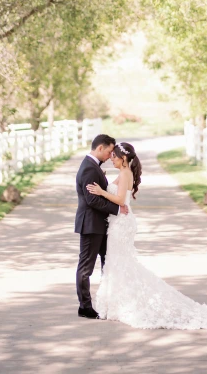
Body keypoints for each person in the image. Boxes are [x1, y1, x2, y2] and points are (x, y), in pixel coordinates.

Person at [87, 141, 207, 330]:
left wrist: (102, 191)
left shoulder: (125, 173)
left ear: (123, 158)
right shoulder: (124, 173)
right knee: (117, 262)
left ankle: (122, 304)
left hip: (121, 225)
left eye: (114, 157)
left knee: (120, 261)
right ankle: (118, 303)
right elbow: (118, 194)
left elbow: (120, 199)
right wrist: (104, 185)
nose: (111, 159)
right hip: (119, 223)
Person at [74, 133, 129, 319]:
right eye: (109, 151)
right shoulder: (89, 169)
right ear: (100, 148)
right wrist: (117, 208)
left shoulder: (93, 167)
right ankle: (85, 307)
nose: (110, 156)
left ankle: (110, 303)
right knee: (86, 268)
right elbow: (92, 200)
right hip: (91, 224)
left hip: (100, 225)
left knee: (109, 262)